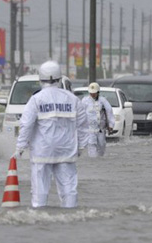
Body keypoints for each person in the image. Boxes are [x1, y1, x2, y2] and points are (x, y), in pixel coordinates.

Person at [14, 60, 89, 208]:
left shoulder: (36, 99)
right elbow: (83, 125)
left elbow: (26, 124)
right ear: (60, 78)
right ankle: (71, 217)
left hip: (42, 153)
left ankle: (39, 218)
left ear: (40, 79)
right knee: (69, 190)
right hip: (66, 151)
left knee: (39, 192)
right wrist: (81, 147)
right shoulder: (72, 99)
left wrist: (20, 147)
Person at [81, 82, 115, 157]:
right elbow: (81, 114)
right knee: (91, 145)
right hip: (90, 129)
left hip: (100, 129)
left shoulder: (103, 101)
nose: (93, 94)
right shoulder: (85, 101)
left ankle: (99, 160)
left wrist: (111, 125)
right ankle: (93, 161)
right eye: (91, 93)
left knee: (101, 146)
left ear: (98, 92)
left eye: (94, 93)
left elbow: (109, 112)